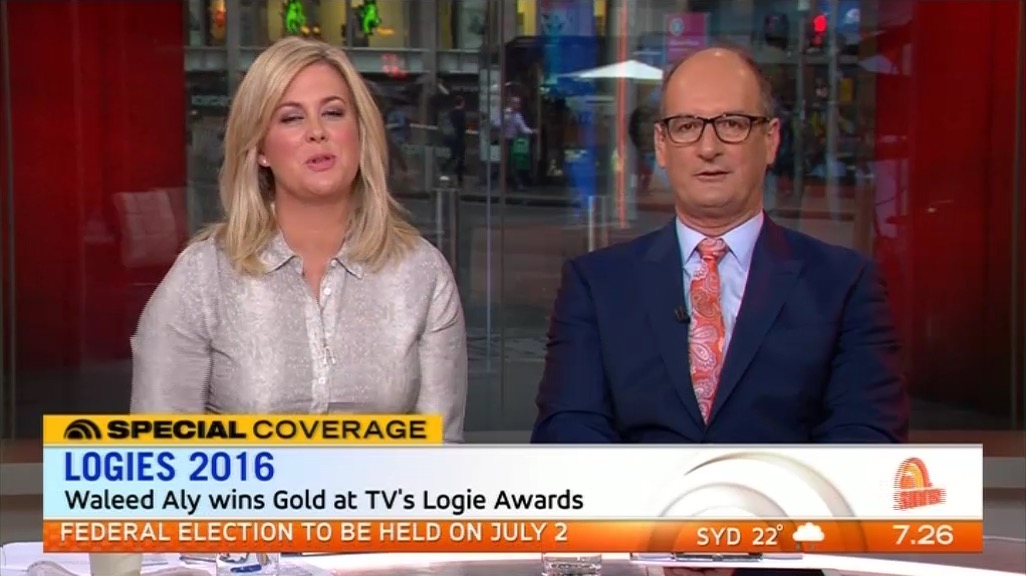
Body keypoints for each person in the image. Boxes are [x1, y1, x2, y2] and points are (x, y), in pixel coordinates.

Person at [533, 46, 907, 576]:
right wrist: (658, 542)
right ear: (661, 146)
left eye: (731, 123)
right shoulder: (596, 283)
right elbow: (569, 432)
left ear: (770, 140)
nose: (708, 147)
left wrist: (748, 539)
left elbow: (866, 442)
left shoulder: (844, 284)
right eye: (687, 126)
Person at [130, 36, 468, 442]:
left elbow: (441, 454)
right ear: (260, 149)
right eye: (291, 118)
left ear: (360, 134)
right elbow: (158, 454)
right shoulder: (203, 277)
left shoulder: (422, 273)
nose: (317, 132)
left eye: (333, 113)